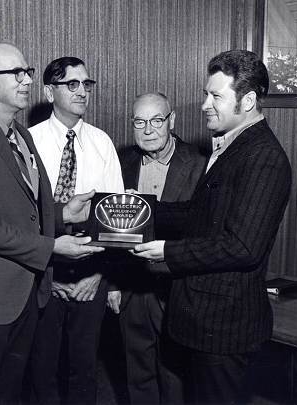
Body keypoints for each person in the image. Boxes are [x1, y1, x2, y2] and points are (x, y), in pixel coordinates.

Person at [0, 42, 103, 404]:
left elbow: (21, 208)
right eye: (16, 73)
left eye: (27, 72)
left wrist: (64, 213)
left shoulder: (21, 134)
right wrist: (51, 247)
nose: (26, 80)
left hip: (25, 297)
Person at [133, 50, 292, 403]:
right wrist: (142, 209)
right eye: (207, 93)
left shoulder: (263, 157)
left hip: (224, 328)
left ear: (248, 100)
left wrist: (166, 251)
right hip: (204, 321)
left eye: (215, 96)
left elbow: (242, 246)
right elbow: (199, 214)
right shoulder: (233, 147)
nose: (205, 104)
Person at [28, 56, 124, 404]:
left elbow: (115, 222)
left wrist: (99, 277)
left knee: (84, 369)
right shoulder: (28, 142)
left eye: (87, 84)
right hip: (43, 272)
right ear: (49, 91)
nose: (82, 91)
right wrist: (46, 276)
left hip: (91, 274)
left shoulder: (101, 143)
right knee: (41, 370)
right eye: (72, 84)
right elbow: (25, 218)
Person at [108, 92, 206, 404]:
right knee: (137, 372)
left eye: (156, 120)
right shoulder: (121, 163)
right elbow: (111, 229)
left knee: (176, 374)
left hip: (179, 287)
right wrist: (113, 285)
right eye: (140, 121)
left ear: (172, 121)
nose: (148, 129)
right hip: (133, 286)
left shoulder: (200, 165)